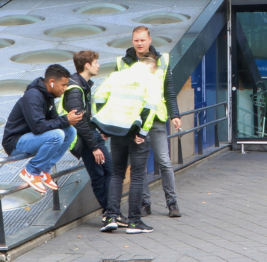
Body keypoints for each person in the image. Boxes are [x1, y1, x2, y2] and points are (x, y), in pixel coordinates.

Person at [116, 26, 182, 218]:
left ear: (150, 40)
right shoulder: (123, 62)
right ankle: (145, 204)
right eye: (136, 40)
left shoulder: (162, 61)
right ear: (132, 41)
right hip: (135, 120)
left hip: (157, 118)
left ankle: (172, 203)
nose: (139, 43)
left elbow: (169, 89)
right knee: (139, 164)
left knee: (164, 161)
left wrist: (175, 114)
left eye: (142, 40)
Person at [94, 56, 159, 234]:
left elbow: (99, 98)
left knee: (117, 174)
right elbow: (151, 107)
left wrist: (105, 125)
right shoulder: (150, 78)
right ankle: (134, 222)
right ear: (151, 67)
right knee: (137, 176)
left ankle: (112, 217)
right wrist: (143, 132)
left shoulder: (117, 76)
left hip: (116, 129)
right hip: (135, 131)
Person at [1, 64, 82, 194]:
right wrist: (66, 119)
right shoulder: (33, 96)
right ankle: (31, 170)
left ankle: (44, 169)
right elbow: (38, 127)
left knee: (70, 131)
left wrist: (69, 120)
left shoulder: (47, 97)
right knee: (57, 135)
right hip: (15, 142)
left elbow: (54, 121)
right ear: (51, 82)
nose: (65, 88)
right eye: (63, 85)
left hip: (32, 138)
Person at [61, 50, 115, 223]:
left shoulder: (82, 85)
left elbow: (87, 118)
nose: (98, 65)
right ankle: (110, 213)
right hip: (86, 140)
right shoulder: (75, 89)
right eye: (96, 62)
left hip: (91, 135)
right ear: (87, 65)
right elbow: (79, 121)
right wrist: (94, 147)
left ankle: (112, 212)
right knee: (99, 175)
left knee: (109, 171)